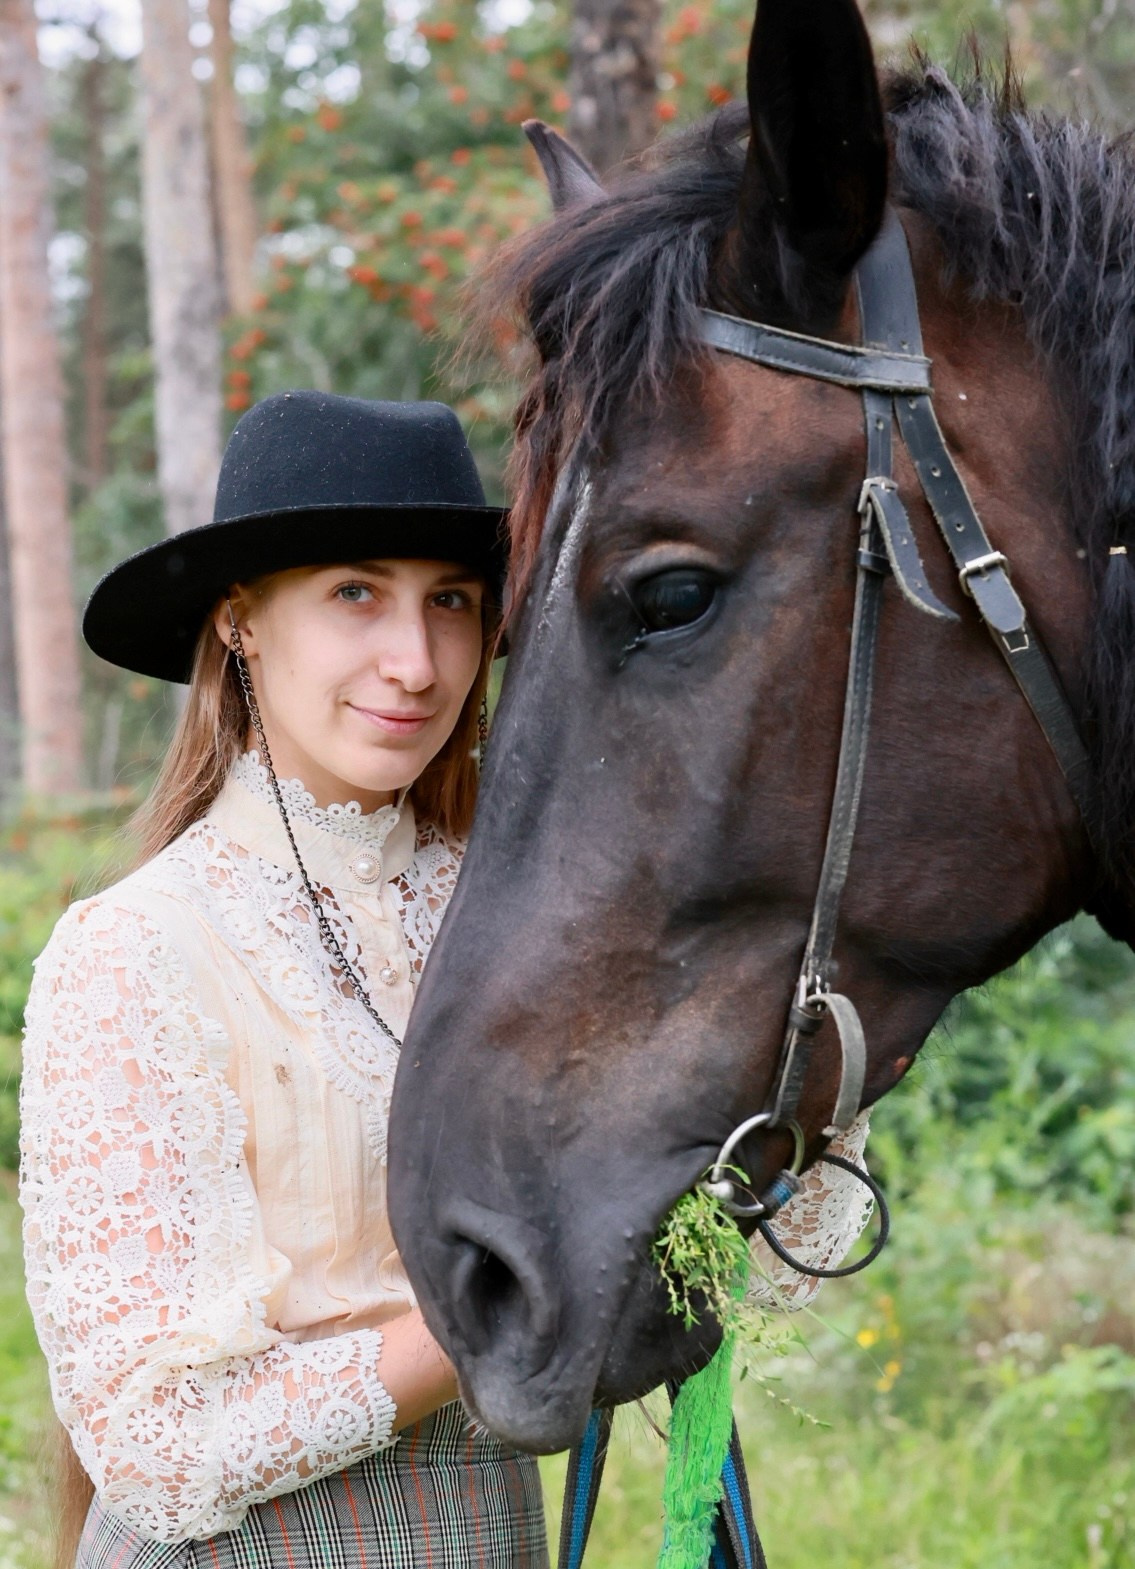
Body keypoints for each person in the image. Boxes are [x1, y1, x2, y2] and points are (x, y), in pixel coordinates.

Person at [19, 391, 872, 1569]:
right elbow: (158, 1448)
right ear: (240, 623)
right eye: (355, 593)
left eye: (453, 603)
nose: (416, 663)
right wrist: (518, 1316)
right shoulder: (139, 952)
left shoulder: (545, 919)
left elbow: (746, 1262)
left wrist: (802, 1052)